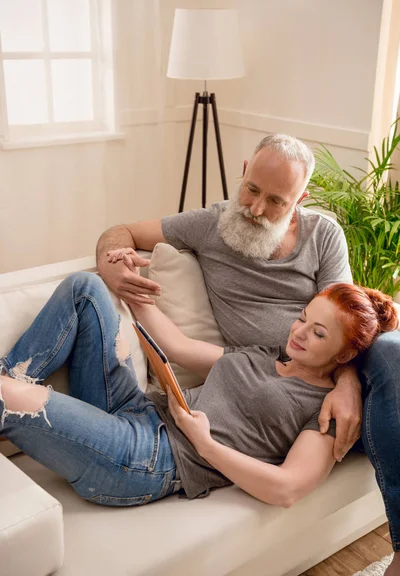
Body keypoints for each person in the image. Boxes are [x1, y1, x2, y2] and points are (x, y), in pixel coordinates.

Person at [96, 133, 400, 574]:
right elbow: (122, 231)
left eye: (276, 200)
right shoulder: (210, 224)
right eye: (252, 190)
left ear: (301, 198)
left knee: (391, 351)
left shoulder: (322, 234)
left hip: (341, 368)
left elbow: (347, 317)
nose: (256, 210)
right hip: (289, 391)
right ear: (242, 171)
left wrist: (349, 381)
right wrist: (110, 263)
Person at [0, 272, 397, 507]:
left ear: (345, 352)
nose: (299, 333)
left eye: (318, 332)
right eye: (303, 318)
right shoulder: (270, 352)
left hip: (151, 459)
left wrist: (205, 444)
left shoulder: (327, 412)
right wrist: (129, 288)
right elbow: (181, 349)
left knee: (8, 396)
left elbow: (287, 489)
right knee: (85, 288)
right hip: (138, 408)